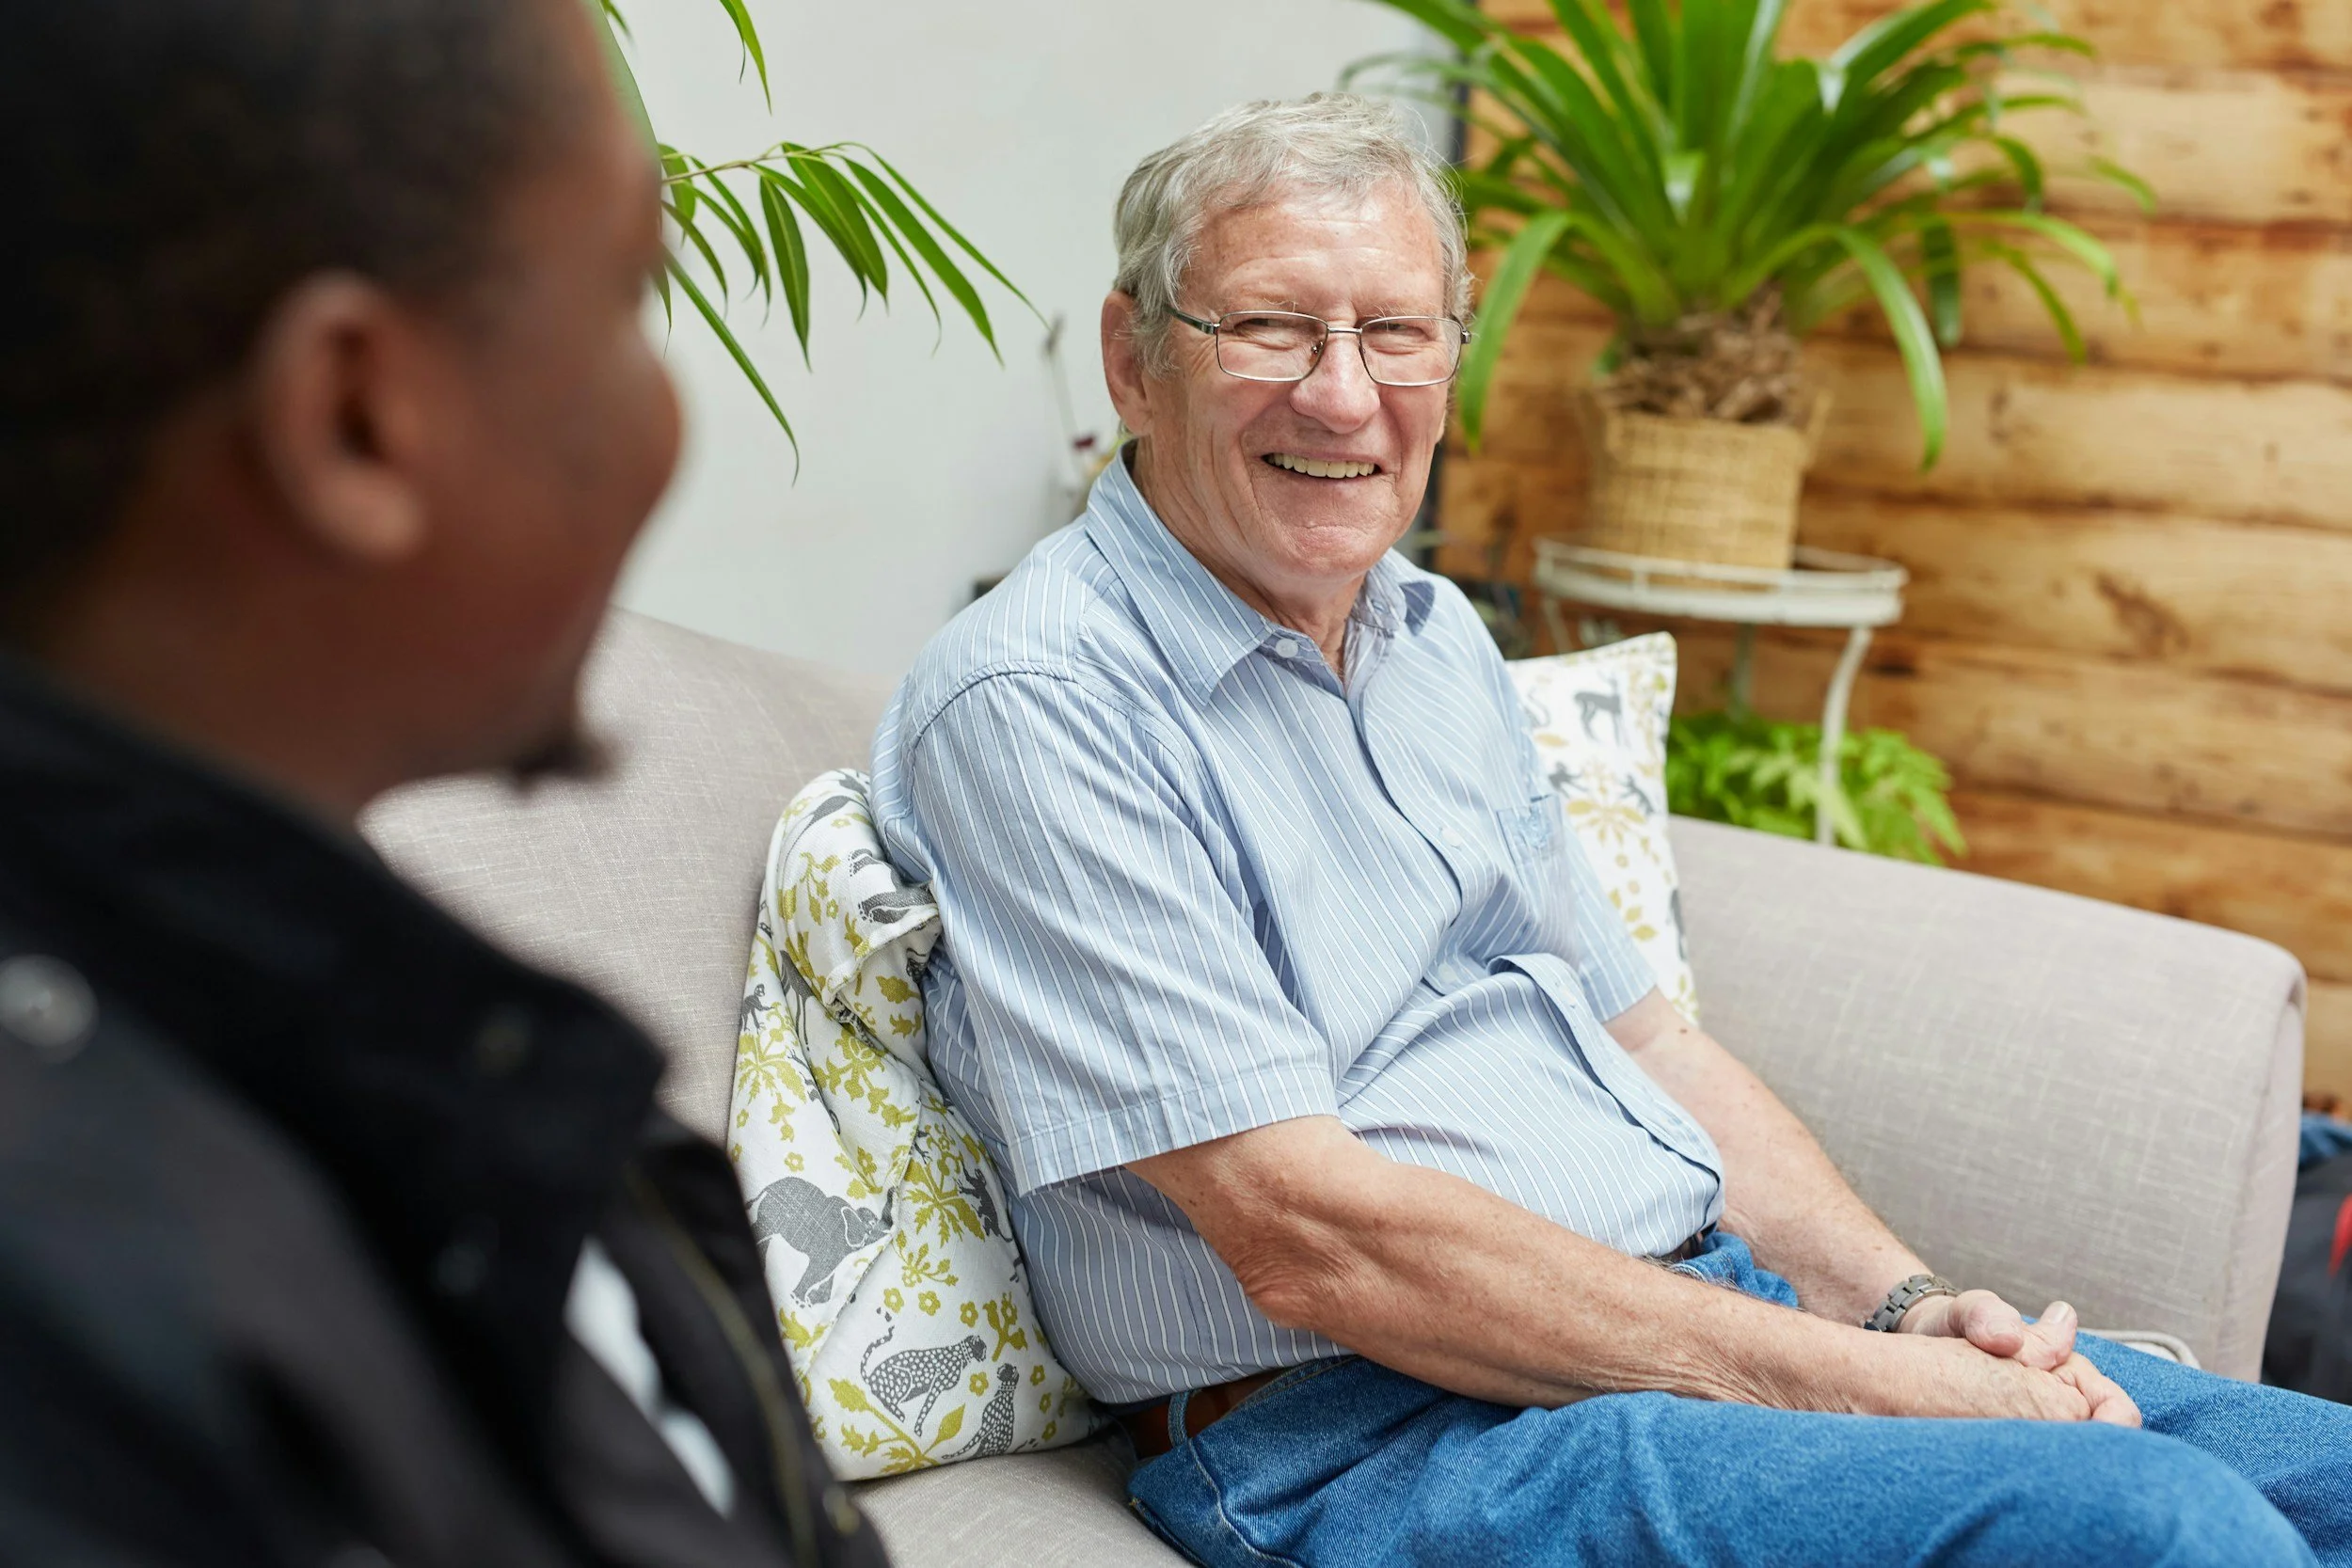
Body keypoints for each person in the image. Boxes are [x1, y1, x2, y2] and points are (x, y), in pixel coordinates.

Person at [870, 94, 2352, 1567]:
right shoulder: (1041, 698)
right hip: (1368, 1430)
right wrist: (1890, 1394)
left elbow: (1650, 1042)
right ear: (1135, 359)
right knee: (2155, 1529)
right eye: (1269, 329)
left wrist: (1903, 1304)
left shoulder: (1433, 636)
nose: (1340, 395)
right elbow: (1306, 1233)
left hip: (1690, 1316)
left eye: (1395, 333)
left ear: (1453, 359)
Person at [0, 3, 881, 1564]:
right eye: (634, 295)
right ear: (354, 419)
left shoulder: (375, 1039)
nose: (667, 415)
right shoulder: (101, 1343)